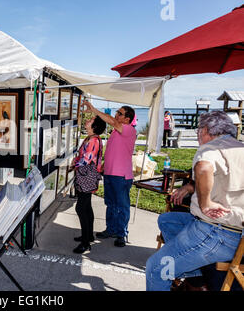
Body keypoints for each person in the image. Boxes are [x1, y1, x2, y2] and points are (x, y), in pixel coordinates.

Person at [146, 111, 244, 291]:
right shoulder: (239, 148)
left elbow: (204, 167)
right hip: (237, 235)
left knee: (156, 268)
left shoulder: (210, 148)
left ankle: (188, 271)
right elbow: (226, 179)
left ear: (205, 130)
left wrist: (206, 203)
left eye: (199, 129)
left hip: (215, 232)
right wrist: (191, 187)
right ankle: (195, 275)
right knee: (168, 220)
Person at [81, 101, 137, 247]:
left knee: (122, 205)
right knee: (110, 204)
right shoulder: (116, 131)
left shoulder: (128, 129)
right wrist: (104, 165)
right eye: (117, 112)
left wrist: (94, 109)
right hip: (110, 174)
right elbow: (113, 152)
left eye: (119, 113)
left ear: (127, 119)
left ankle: (121, 234)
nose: (116, 115)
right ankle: (111, 229)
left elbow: (110, 120)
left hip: (121, 176)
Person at [70, 116, 106, 254]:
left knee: (81, 208)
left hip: (88, 176)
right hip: (85, 176)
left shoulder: (93, 140)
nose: (87, 121)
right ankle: (88, 236)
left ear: (95, 126)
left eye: (90, 120)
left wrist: (73, 165)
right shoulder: (90, 138)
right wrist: (76, 159)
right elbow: (82, 155)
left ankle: (85, 243)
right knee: (86, 207)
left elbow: (86, 160)